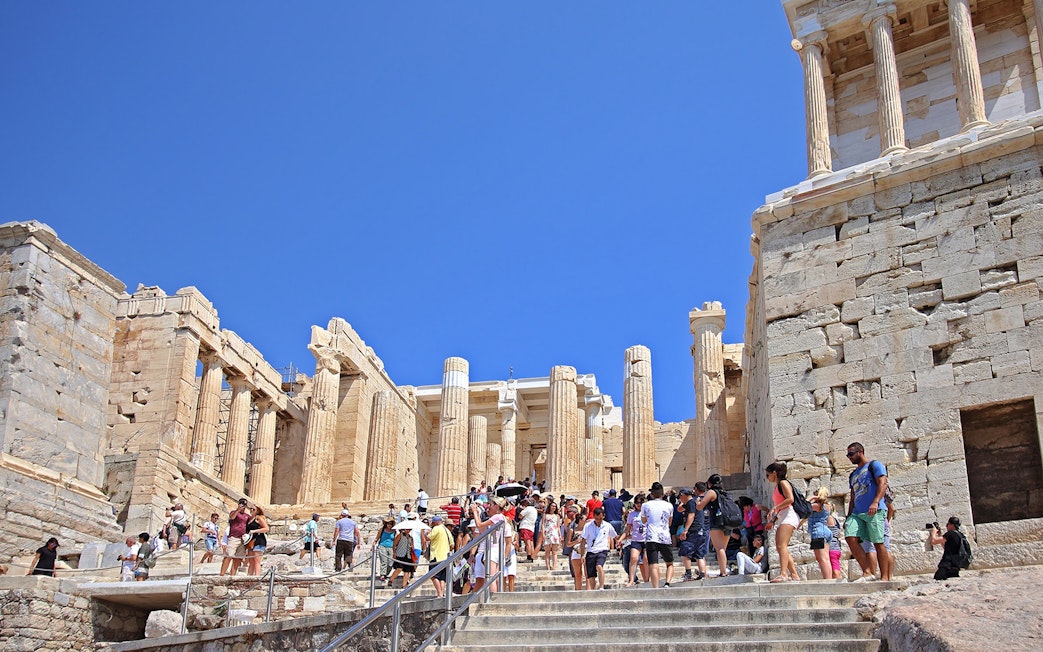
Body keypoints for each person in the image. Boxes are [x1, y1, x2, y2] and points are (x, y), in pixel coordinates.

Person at [844, 442, 893, 581]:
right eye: (848, 455)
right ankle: (867, 571)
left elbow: (883, 483)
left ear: (860, 452)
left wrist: (876, 501)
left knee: (878, 542)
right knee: (850, 537)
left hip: (874, 510)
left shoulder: (874, 465)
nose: (849, 457)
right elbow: (853, 496)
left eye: (851, 454)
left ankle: (884, 577)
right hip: (857, 512)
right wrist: (848, 516)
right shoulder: (853, 474)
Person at [765, 461, 800, 582]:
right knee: (781, 547)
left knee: (781, 545)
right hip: (783, 516)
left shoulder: (783, 483)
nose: (767, 478)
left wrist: (775, 507)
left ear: (774, 473)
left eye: (767, 475)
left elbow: (790, 499)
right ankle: (794, 574)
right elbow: (781, 507)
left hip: (789, 515)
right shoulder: (777, 486)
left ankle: (783, 574)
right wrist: (773, 520)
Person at [471, 497, 512, 593]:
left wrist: (475, 512)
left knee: (491, 578)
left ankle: (493, 598)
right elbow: (482, 530)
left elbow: (479, 525)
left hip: (492, 551)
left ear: (497, 506)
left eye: (491, 504)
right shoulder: (503, 519)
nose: (489, 506)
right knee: (495, 578)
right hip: (498, 550)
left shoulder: (497, 517)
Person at [695, 474, 733, 578]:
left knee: (719, 548)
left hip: (717, 522)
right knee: (722, 549)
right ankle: (723, 571)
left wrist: (698, 500)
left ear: (710, 483)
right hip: (728, 522)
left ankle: (724, 572)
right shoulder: (725, 494)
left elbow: (700, 507)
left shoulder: (712, 492)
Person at [641, 481, 675, 588]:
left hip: (651, 537)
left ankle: (655, 588)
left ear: (651, 494)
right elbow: (670, 522)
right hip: (665, 536)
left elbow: (643, 521)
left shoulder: (645, 505)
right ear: (663, 494)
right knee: (669, 563)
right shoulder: (669, 505)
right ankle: (667, 583)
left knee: (653, 564)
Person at [580, 506, 617, 590]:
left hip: (602, 550)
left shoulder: (607, 525)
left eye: (600, 518)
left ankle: (601, 586)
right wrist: (582, 554)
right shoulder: (588, 526)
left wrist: (624, 538)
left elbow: (615, 536)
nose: (598, 520)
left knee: (599, 566)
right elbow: (583, 541)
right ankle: (593, 590)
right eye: (596, 518)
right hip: (591, 551)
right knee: (591, 575)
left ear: (603, 516)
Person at [677, 486, 708, 582]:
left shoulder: (690, 503)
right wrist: (683, 502)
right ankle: (702, 574)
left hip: (693, 531)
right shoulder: (694, 501)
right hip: (701, 531)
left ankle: (688, 573)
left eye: (680, 497)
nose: (680, 499)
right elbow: (679, 509)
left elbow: (691, 516)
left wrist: (685, 530)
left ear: (683, 495)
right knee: (699, 554)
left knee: (684, 552)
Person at [621, 493, 649, 586]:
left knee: (646, 560)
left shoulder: (648, 513)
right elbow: (627, 529)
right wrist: (620, 539)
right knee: (633, 558)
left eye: (640, 503)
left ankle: (647, 580)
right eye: (637, 503)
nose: (639, 504)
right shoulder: (632, 514)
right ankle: (631, 580)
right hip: (636, 539)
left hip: (646, 539)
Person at [808, 487, 835, 580]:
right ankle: (829, 579)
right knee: (826, 558)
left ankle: (827, 580)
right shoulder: (827, 506)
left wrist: (811, 498)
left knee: (821, 559)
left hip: (818, 532)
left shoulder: (816, 506)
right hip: (826, 531)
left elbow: (803, 505)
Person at [221, 498, 251, 576]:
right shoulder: (234, 512)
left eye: (245, 505)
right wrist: (238, 510)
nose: (243, 506)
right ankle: (222, 574)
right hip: (234, 537)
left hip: (242, 539)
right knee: (229, 555)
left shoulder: (247, 516)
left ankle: (233, 575)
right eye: (242, 504)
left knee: (238, 558)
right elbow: (232, 517)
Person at [427, 515, 453, 598]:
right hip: (446, 557)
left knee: (433, 575)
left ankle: (440, 593)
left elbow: (428, 538)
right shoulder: (447, 530)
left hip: (436, 556)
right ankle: (441, 593)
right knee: (442, 577)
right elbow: (452, 544)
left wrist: (425, 533)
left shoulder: (436, 528)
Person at [565, 506, 586, 590]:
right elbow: (568, 544)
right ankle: (578, 591)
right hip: (576, 551)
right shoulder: (572, 530)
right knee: (578, 574)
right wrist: (577, 541)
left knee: (587, 573)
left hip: (586, 551)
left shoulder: (587, 529)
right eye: (585, 519)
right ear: (580, 520)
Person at [245, 505, 269, 576]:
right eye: (250, 508)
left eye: (253, 509)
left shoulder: (258, 518)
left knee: (256, 561)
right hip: (250, 542)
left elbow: (266, 528)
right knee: (251, 562)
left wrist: (255, 531)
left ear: (257, 511)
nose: (251, 510)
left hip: (259, 540)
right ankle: (249, 579)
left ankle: (257, 578)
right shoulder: (249, 519)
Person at [541, 500, 562, 570]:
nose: (554, 507)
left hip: (554, 533)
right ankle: (547, 566)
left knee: (554, 551)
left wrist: (560, 535)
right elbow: (543, 525)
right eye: (552, 506)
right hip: (547, 533)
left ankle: (554, 566)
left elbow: (558, 526)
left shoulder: (557, 516)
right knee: (547, 551)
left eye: (555, 506)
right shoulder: (545, 515)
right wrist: (543, 534)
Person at [518, 498, 538, 563]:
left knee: (527, 543)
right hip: (531, 527)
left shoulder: (528, 508)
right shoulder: (534, 510)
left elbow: (520, 516)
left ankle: (528, 557)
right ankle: (531, 556)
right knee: (531, 543)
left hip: (525, 526)